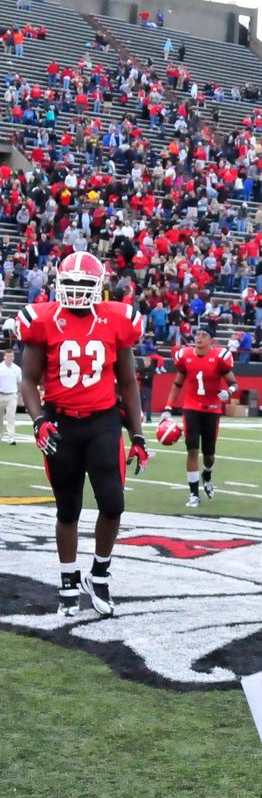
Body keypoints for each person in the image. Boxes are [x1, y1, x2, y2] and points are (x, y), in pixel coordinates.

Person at [15, 251, 149, 618]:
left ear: (99, 287)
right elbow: (28, 380)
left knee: (112, 503)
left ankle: (100, 575)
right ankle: (68, 581)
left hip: (103, 422)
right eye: (69, 284)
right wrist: (39, 420)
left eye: (83, 284)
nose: (75, 291)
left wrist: (137, 434)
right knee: (68, 508)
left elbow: (128, 383)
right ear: (58, 284)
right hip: (61, 423)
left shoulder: (116, 320)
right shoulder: (42, 321)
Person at [161, 329, 237, 508]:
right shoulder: (185, 356)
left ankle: (207, 473)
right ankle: (194, 494)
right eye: (198, 334)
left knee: (209, 455)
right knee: (192, 450)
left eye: (204, 335)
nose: (199, 337)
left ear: (212, 340)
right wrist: (167, 408)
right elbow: (177, 384)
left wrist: (229, 392)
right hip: (191, 407)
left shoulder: (220, 357)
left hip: (212, 409)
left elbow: (233, 383)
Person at [0, 348, 20, 443]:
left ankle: (11, 438)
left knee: (11, 417)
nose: (9, 358)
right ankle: (0, 436)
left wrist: (18, 393)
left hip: (12, 395)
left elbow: (19, 382)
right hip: (0, 395)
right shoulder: (0, 368)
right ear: (4, 357)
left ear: (13, 357)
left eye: (11, 356)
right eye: (7, 356)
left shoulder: (17, 369)